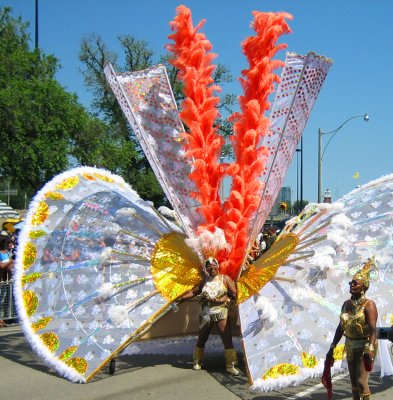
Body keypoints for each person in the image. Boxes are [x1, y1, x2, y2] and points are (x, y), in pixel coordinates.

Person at [325, 259, 378, 400]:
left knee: (361, 382)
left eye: (356, 283)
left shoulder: (369, 305)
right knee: (354, 384)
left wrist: (370, 347)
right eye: (351, 283)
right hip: (350, 345)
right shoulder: (346, 304)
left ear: (364, 286)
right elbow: (341, 327)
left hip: (365, 344)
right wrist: (332, 347)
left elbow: (373, 330)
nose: (352, 285)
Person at [181, 257, 239, 375]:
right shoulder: (205, 281)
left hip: (221, 311)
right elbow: (194, 292)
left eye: (214, 265)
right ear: (206, 269)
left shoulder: (225, 279)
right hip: (206, 312)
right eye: (209, 266)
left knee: (226, 337)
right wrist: (181, 298)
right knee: (202, 336)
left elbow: (235, 293)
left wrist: (226, 299)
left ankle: (230, 364)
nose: (212, 268)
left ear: (218, 266)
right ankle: (197, 361)